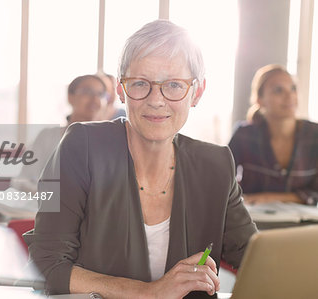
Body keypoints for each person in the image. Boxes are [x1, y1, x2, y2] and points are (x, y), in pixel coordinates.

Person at [24, 20, 257, 299]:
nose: (156, 100)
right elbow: (46, 265)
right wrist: (151, 292)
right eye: (139, 84)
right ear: (121, 90)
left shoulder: (215, 164)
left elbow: (256, 258)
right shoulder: (80, 146)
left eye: (173, 85)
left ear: (197, 92)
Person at [229, 64, 318, 206]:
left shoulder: (314, 135)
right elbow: (222, 181)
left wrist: (267, 197)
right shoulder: (244, 135)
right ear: (260, 99)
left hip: (306, 225)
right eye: (278, 90)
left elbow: (316, 192)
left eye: (293, 89)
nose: (290, 96)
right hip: (253, 222)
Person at [12, 74, 107, 192]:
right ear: (70, 97)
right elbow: (23, 180)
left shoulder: (110, 142)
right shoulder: (47, 136)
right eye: (87, 91)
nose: (95, 99)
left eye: (101, 94)